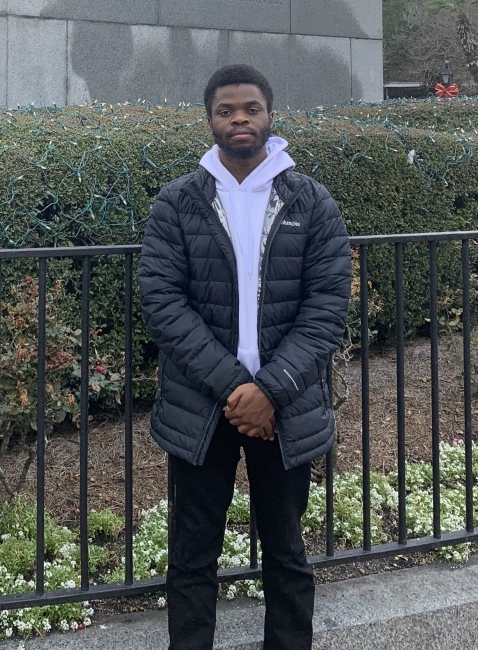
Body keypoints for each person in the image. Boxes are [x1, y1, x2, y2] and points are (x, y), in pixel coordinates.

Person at [138, 64, 351, 650]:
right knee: (191, 554)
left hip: (285, 408)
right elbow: (162, 300)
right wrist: (239, 390)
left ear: (269, 115)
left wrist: (272, 389)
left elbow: (327, 306)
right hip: (203, 408)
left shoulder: (311, 201)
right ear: (208, 119)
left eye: (250, 109)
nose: (238, 119)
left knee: (287, 553)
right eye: (226, 110)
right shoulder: (178, 202)